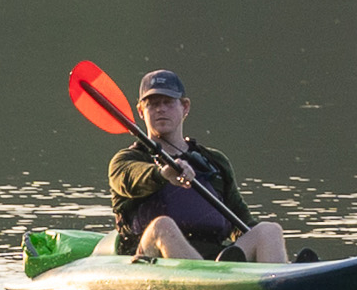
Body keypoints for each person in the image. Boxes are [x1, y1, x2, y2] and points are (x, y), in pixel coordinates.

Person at [107, 68, 295, 263]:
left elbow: (240, 220)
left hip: (214, 259)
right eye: (152, 104)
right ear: (141, 111)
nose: (160, 109)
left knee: (269, 231)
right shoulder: (126, 160)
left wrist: (257, 243)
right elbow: (132, 179)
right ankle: (210, 283)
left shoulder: (213, 162)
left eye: (168, 102)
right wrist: (163, 174)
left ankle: (283, 281)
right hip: (148, 255)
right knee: (163, 226)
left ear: (185, 107)